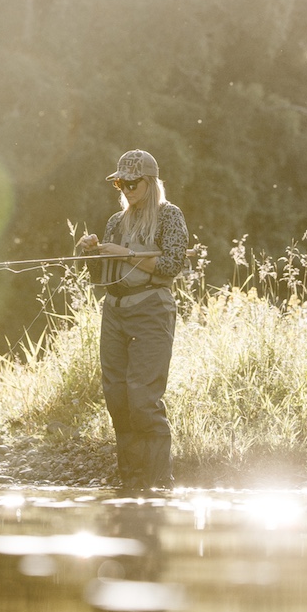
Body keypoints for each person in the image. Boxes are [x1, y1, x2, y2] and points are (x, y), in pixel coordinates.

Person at [79, 149, 188, 490]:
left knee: (143, 398)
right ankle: (130, 481)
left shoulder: (170, 216)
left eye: (132, 182)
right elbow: (100, 277)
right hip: (115, 312)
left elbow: (171, 265)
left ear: (150, 182)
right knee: (118, 397)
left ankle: (158, 482)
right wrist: (90, 252)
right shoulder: (115, 222)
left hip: (151, 310)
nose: (125, 188)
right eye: (120, 183)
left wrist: (127, 254)